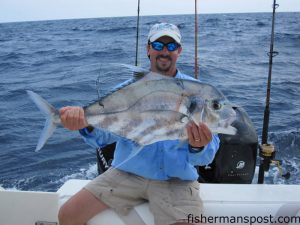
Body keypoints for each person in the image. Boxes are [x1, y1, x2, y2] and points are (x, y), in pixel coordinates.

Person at [58, 23, 220, 225]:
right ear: (148, 48)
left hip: (176, 181)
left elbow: (206, 156)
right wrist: (86, 124)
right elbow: (102, 139)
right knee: (68, 215)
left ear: (179, 51)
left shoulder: (197, 93)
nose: (164, 51)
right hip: (126, 172)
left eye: (171, 46)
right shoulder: (126, 91)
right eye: (158, 44)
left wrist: (198, 145)